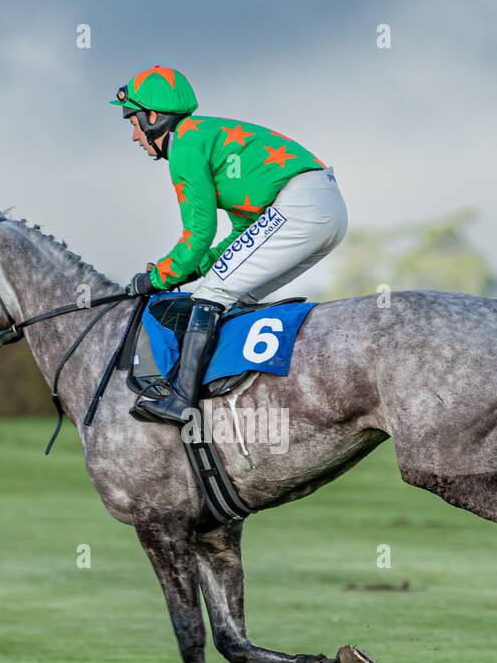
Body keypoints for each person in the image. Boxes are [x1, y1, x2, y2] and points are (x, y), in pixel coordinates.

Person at [112, 65, 348, 424]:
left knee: (213, 294)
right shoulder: (205, 136)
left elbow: (198, 233)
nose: (133, 136)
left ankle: (181, 400)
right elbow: (245, 234)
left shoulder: (185, 148)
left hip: (301, 206)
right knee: (234, 294)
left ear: (153, 117)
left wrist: (159, 277)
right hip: (325, 209)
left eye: (132, 123)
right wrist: (196, 267)